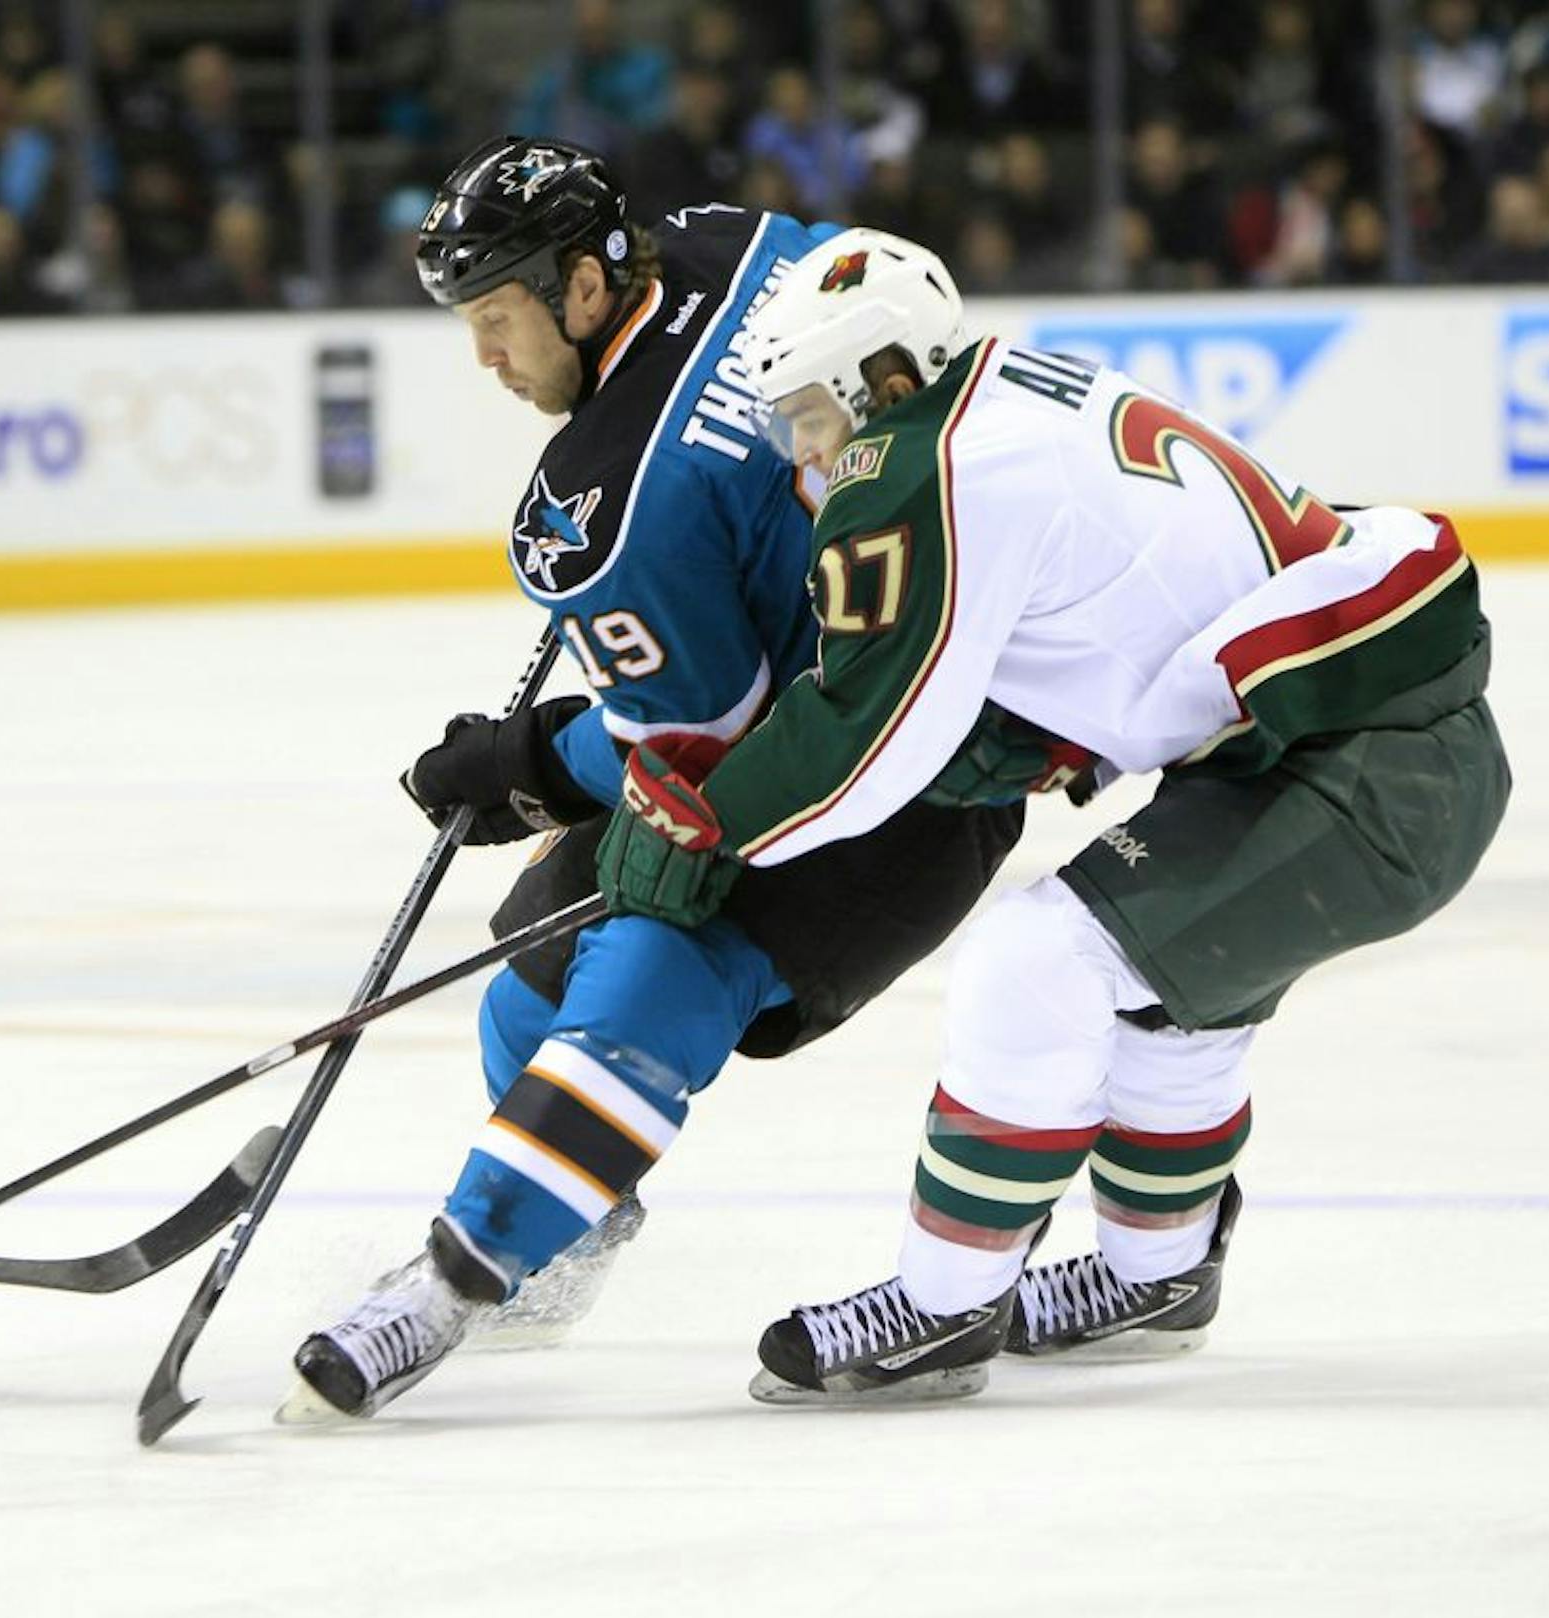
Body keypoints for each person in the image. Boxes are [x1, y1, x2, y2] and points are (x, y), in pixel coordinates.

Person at [593, 228, 1510, 1405]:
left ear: (880, 380)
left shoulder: (922, 462)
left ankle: (940, 1305)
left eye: (808, 418)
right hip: (1362, 741)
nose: (800, 454)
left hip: (1373, 770)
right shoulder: (1008, 387)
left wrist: (705, 824)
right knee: (1177, 1003)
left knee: (1042, 959)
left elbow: (862, 738)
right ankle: (1158, 1274)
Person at [282, 142, 1022, 1421]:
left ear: (581, 286)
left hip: (901, 783)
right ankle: (576, 1217)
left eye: (496, 322)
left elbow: (697, 767)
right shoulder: (724, 239)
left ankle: (455, 1278)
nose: (484, 359)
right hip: (907, 670)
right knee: (527, 988)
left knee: (654, 959)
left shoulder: (601, 510)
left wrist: (527, 764)